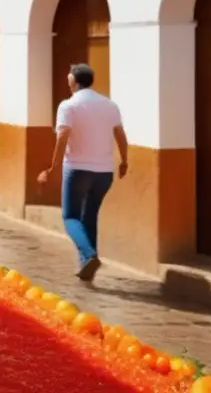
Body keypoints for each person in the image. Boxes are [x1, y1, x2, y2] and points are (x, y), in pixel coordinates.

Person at [38, 63, 129, 282]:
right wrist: (125, 160)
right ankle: (87, 267)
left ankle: (89, 255)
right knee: (89, 216)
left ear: (74, 81)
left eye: (69, 77)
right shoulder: (110, 105)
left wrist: (52, 167)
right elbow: (120, 134)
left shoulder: (68, 106)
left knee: (70, 217)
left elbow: (62, 137)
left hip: (77, 169)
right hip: (104, 172)